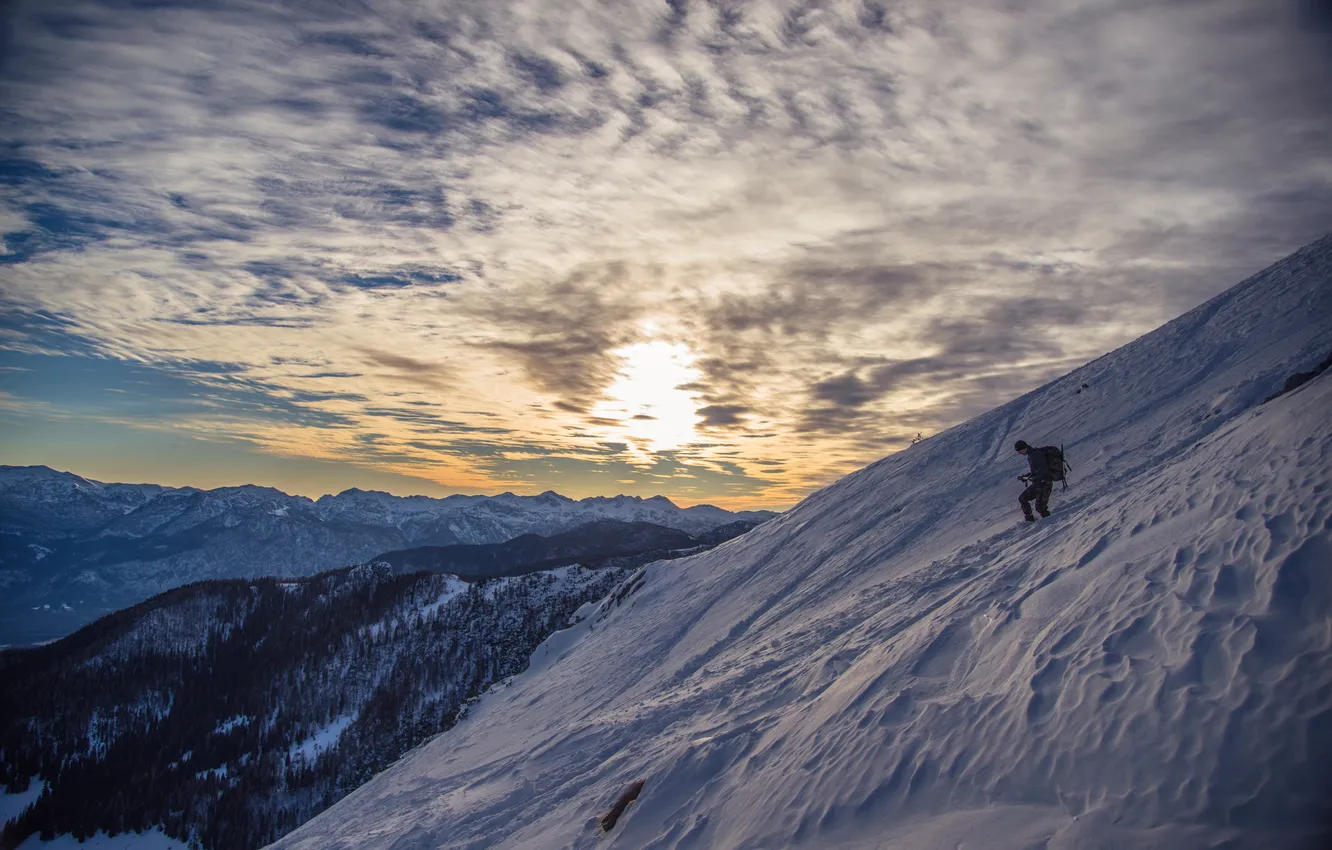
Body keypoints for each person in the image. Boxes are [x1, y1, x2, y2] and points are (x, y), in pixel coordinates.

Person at [1014, 440, 1052, 522]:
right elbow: (1035, 471)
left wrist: (1033, 476)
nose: (1019, 453)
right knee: (1022, 498)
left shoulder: (1036, 454)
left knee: (1040, 508)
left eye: (1019, 451)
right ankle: (1029, 520)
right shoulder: (1031, 455)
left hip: (1044, 484)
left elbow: (1044, 469)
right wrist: (1026, 477)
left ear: (1024, 448)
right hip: (1037, 484)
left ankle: (1050, 523)